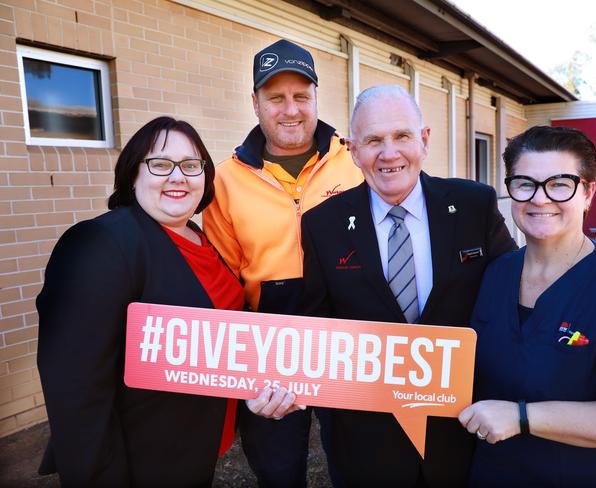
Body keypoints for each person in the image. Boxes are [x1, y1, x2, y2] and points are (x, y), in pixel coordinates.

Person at [299, 84, 516, 487]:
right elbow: (318, 325)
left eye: (401, 136)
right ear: (352, 150)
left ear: (425, 139)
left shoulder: (474, 205)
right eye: (373, 140)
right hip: (366, 440)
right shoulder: (321, 224)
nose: (389, 153)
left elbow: (510, 301)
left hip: (465, 428)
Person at [36, 117, 245, 486]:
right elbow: (77, 392)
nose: (178, 177)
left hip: (198, 442)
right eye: (160, 164)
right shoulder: (98, 244)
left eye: (191, 165)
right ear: (133, 175)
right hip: (144, 458)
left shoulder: (200, 239)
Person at [201, 39, 363, 487]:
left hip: (349, 336)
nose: (290, 109)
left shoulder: (355, 161)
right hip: (268, 342)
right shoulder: (225, 180)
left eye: (300, 96)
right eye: (275, 97)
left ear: (315, 98)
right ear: (255, 103)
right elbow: (223, 280)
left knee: (360, 461)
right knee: (278, 470)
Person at [458, 125, 596, 486]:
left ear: (588, 191)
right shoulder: (493, 275)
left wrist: (522, 417)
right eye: (525, 183)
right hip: (494, 474)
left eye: (560, 184)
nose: (540, 198)